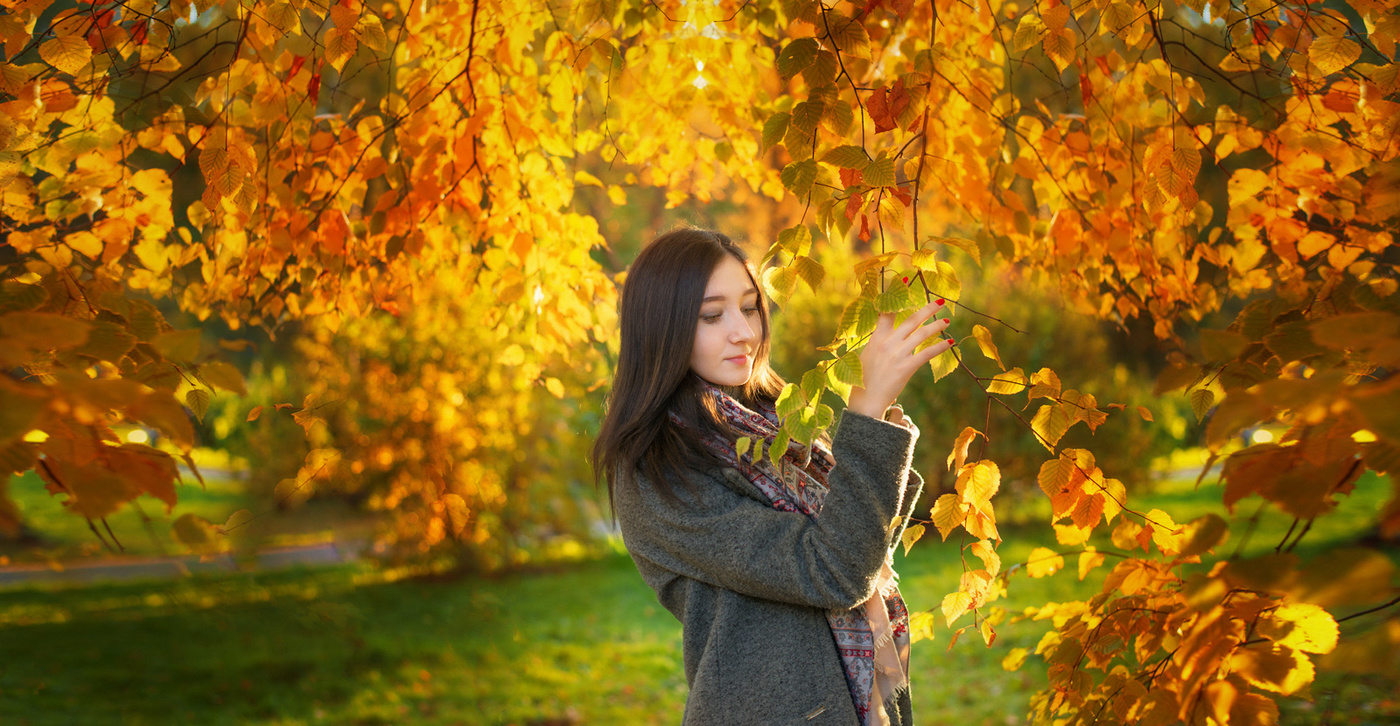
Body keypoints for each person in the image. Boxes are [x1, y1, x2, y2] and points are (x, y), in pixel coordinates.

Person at [592, 228, 954, 725]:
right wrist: (865, 417)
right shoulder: (657, 472)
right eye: (712, 316)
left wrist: (879, 415)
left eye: (749, 307)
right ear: (661, 326)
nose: (744, 331)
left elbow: (865, 550)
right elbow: (835, 571)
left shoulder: (774, 423)